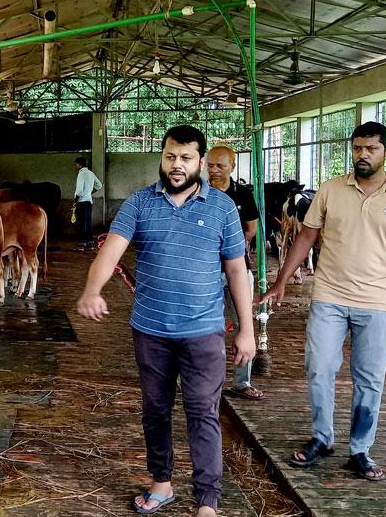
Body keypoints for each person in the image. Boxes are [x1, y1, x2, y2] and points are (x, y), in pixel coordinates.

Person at [77, 125, 255, 517]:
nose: (177, 165)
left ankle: (207, 500)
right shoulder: (140, 203)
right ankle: (162, 483)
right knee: (155, 408)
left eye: (186, 158)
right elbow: (110, 252)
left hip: (203, 332)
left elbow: (238, 271)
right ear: (162, 157)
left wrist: (247, 329)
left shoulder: (222, 208)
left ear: (201, 163)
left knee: (202, 411)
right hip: (151, 331)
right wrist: (92, 289)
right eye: (171, 156)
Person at [259, 121, 386, 481]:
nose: (362, 154)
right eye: (357, 148)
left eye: (371, 149)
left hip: (376, 302)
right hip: (329, 296)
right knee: (319, 367)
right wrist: (280, 281)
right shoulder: (329, 191)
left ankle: (360, 449)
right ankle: (322, 438)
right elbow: (307, 236)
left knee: (370, 378)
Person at [206, 145, 265, 401]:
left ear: (232, 166)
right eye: (210, 165)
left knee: (244, 324)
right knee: (203, 325)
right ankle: (191, 378)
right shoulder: (196, 193)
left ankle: (242, 382)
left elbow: (251, 229)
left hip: (238, 270)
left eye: (221, 165)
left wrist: (232, 250)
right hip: (205, 271)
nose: (215, 170)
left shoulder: (243, 195)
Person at [73, 156, 103, 251]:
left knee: (81, 223)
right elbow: (99, 185)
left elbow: (79, 189)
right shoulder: (91, 173)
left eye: (76, 164)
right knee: (88, 222)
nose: (76, 166)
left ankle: (82, 245)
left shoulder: (81, 174)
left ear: (80, 164)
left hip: (81, 201)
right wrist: (90, 192)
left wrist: (75, 200)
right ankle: (90, 244)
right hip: (89, 201)